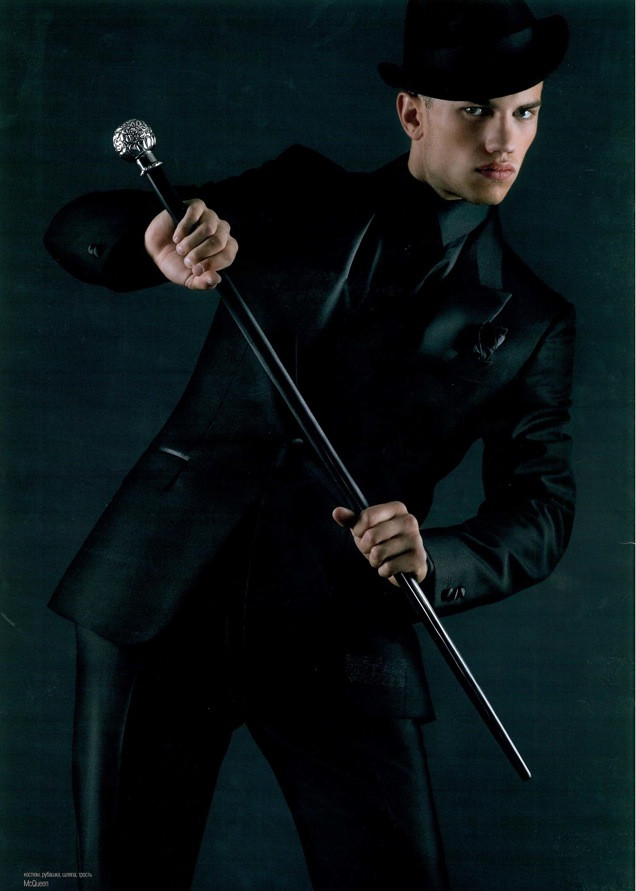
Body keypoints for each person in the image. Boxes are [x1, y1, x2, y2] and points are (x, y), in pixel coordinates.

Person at [44, 0, 574, 888]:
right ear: (412, 112)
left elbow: (542, 509)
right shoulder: (297, 195)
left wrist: (434, 553)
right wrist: (153, 239)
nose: (505, 139)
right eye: (477, 110)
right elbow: (74, 229)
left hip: (341, 632)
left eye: (526, 111)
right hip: (161, 595)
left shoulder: (534, 321)